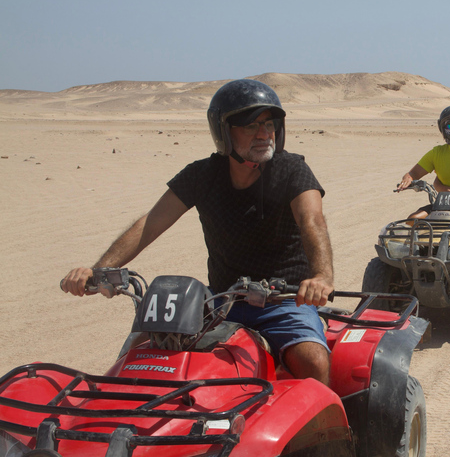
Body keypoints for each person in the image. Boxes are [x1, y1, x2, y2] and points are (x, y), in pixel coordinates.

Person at [60, 79, 334, 386]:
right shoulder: (202, 174)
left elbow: (312, 220)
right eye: (250, 126)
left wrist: (321, 277)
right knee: (144, 346)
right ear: (224, 132)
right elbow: (150, 223)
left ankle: (331, 433)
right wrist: (100, 270)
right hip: (223, 300)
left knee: (313, 361)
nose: (264, 134)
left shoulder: (291, 170)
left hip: (284, 301)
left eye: (269, 124)